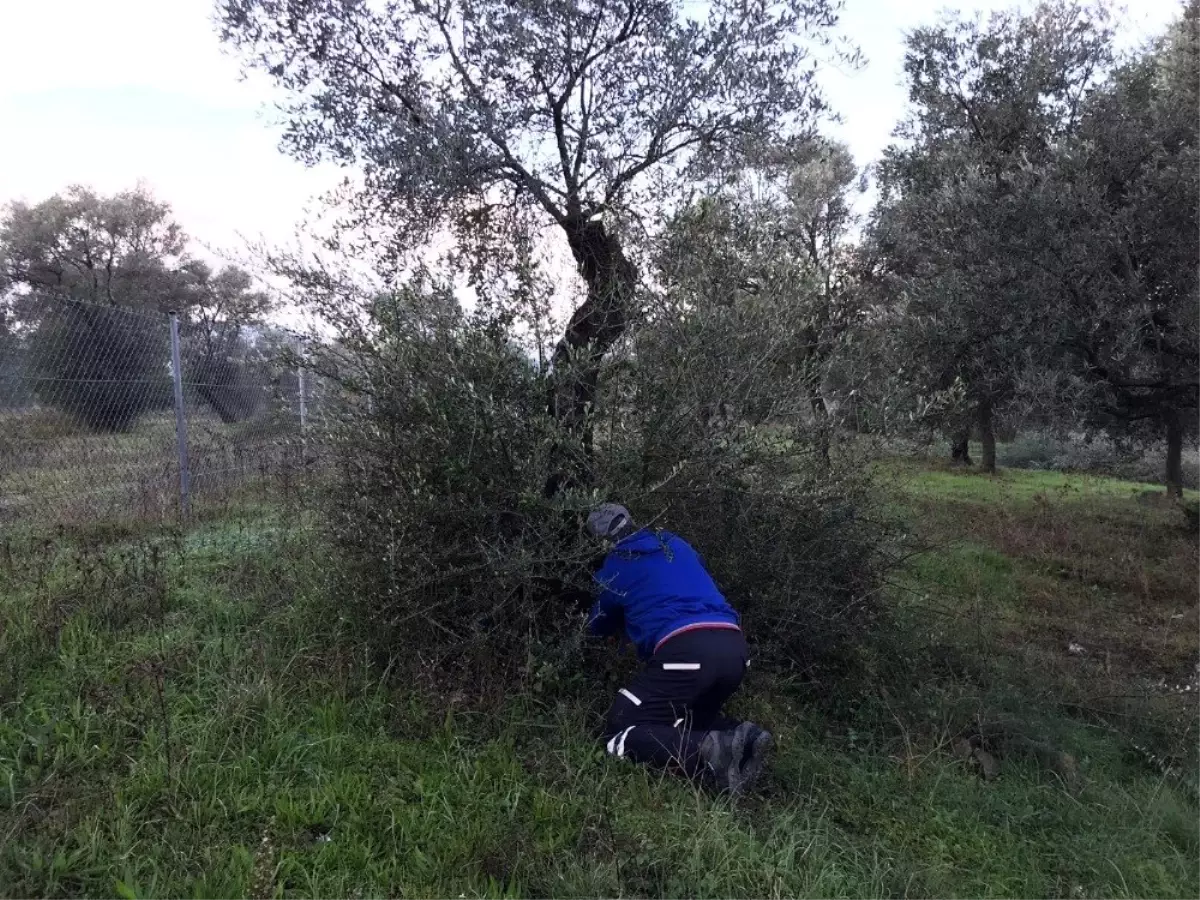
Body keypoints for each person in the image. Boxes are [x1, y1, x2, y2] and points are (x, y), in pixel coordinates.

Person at [584, 502, 772, 793]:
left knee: (620, 730)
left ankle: (710, 752)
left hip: (687, 649)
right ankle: (742, 738)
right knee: (686, 718)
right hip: (734, 646)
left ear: (599, 541)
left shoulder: (615, 565)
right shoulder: (672, 542)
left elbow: (597, 624)